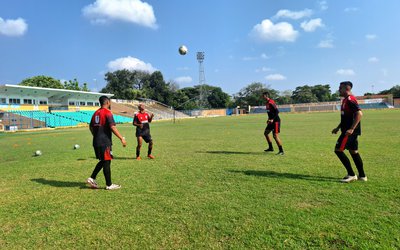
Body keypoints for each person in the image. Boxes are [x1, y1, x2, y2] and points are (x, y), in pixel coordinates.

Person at [86, 96, 126, 190]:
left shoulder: (95, 113)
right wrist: (121, 138)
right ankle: (109, 185)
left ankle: (92, 178)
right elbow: (112, 127)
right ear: (108, 102)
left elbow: (90, 127)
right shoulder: (107, 113)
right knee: (107, 161)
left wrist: (96, 136)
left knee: (103, 160)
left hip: (96, 141)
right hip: (104, 142)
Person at [332, 81, 367, 183]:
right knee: (353, 152)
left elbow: (359, 114)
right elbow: (346, 117)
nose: (339, 89)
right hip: (348, 130)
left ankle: (351, 174)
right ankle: (362, 176)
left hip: (349, 132)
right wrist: (338, 127)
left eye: (340, 88)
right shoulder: (345, 100)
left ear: (346, 89)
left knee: (338, 150)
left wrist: (351, 129)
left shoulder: (350, 100)